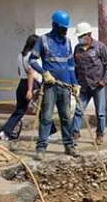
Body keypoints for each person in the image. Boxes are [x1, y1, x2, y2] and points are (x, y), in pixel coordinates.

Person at [29, 10, 78, 160]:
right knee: (46, 117)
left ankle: (69, 145)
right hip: (50, 86)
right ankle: (41, 147)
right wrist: (44, 73)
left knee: (66, 117)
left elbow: (70, 66)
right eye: (62, 27)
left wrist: (74, 83)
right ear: (54, 25)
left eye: (66, 28)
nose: (65, 30)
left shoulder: (67, 42)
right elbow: (32, 60)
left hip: (65, 87)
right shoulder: (43, 40)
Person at [72, 22, 107, 146]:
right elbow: (75, 67)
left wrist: (104, 80)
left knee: (100, 113)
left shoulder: (99, 47)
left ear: (89, 34)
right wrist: (74, 83)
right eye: (79, 36)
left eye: (82, 36)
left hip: (98, 86)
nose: (80, 39)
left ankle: (100, 134)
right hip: (84, 87)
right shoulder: (77, 49)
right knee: (79, 111)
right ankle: (75, 133)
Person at [0, 35, 42, 141]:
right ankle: (47, 133)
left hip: (21, 84)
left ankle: (6, 131)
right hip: (32, 84)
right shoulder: (31, 57)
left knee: (19, 110)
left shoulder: (20, 55)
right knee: (42, 109)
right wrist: (29, 90)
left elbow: (19, 71)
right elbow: (30, 73)